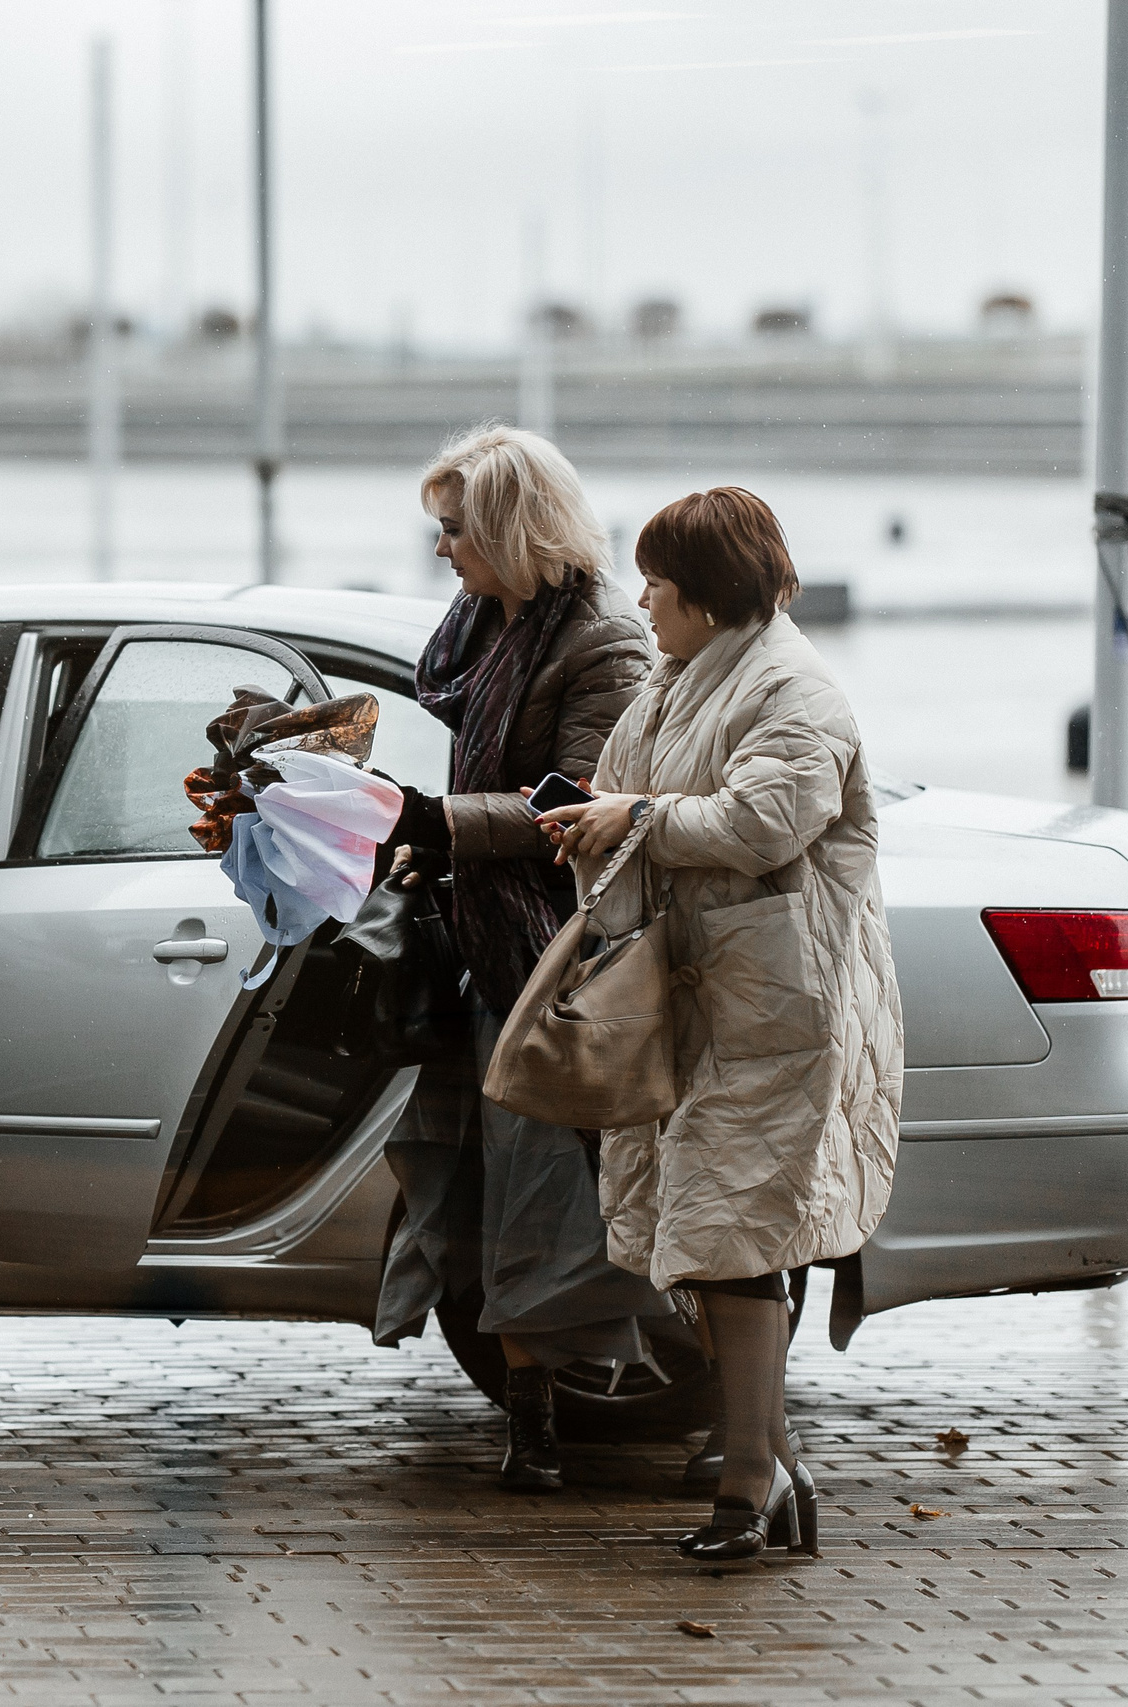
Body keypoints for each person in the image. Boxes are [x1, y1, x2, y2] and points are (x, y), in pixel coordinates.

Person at [539, 486, 903, 1561]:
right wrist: (593, 818)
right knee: (702, 1238)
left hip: (769, 1007)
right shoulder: (680, 676)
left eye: (657, 578)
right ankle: (769, 1465)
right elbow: (624, 789)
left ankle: (748, 1483)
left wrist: (634, 820)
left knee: (734, 1235)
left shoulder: (794, 689)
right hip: (696, 998)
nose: (640, 595)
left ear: (707, 591)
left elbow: (763, 821)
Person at [372, 424, 676, 1492]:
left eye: (456, 531)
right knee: (482, 1187)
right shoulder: (481, 628)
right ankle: (532, 1418)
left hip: (556, 961)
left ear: (510, 528)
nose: (443, 551)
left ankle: (542, 1431)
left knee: (540, 1195)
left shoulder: (600, 640)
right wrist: (429, 842)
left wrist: (438, 821)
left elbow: (580, 803)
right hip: (483, 941)